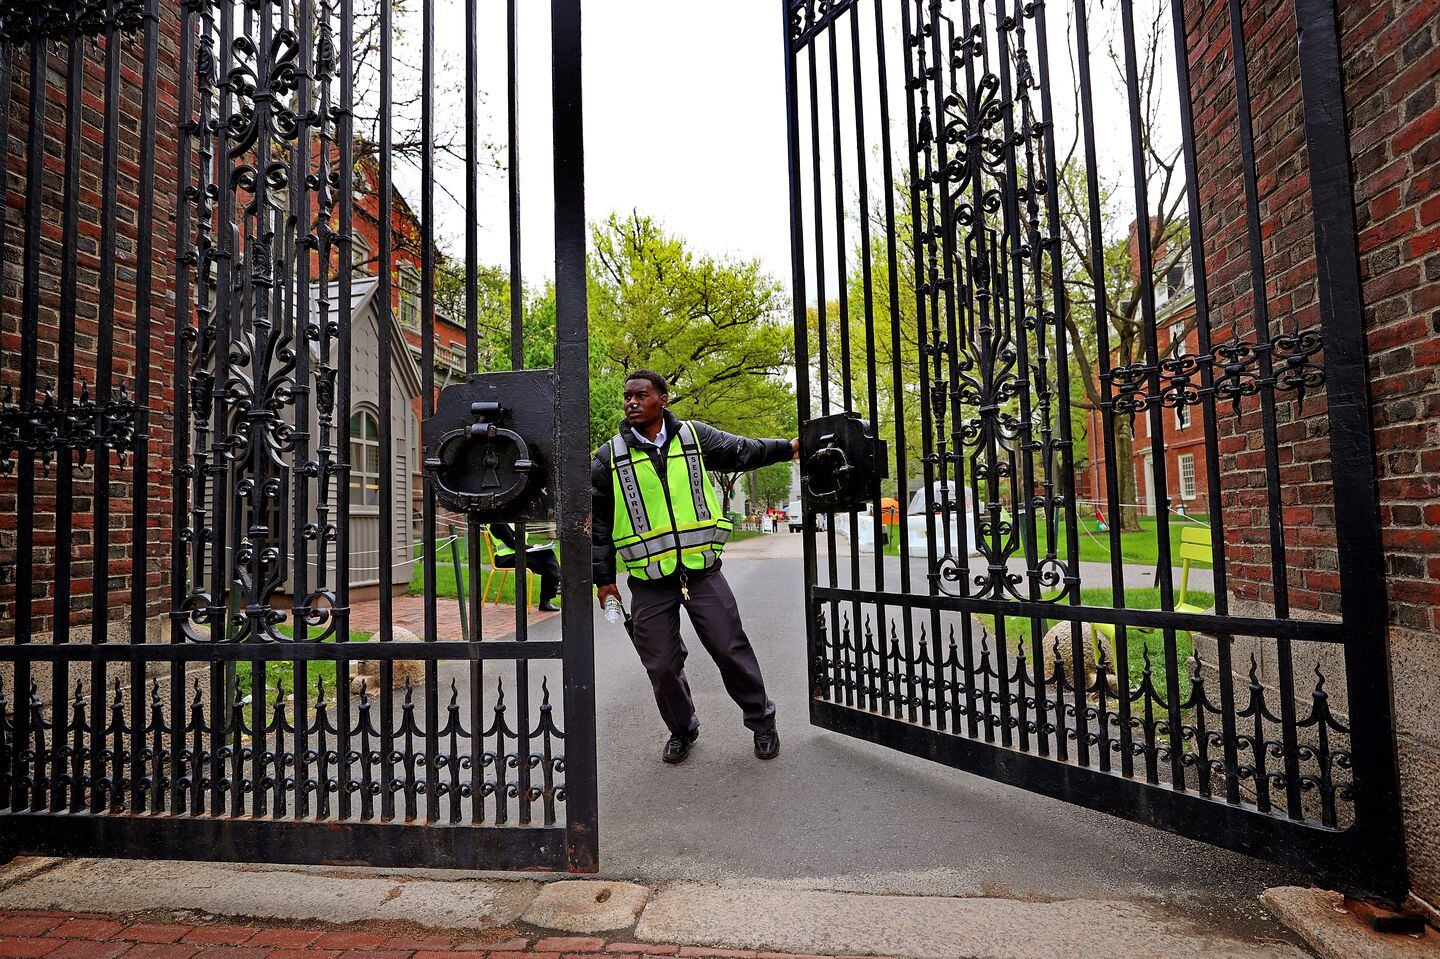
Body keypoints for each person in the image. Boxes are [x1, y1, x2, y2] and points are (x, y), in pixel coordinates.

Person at [593, 369, 797, 764]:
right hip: (649, 581)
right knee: (661, 665)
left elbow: (743, 450)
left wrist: (786, 448)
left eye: (641, 395)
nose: (631, 402)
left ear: (662, 399)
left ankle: (762, 723)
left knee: (730, 648)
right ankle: (682, 729)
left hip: (701, 573)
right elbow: (598, 524)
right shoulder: (608, 457)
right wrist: (604, 580)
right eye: (627, 396)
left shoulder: (694, 437)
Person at [488, 522, 561, 612]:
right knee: (548, 566)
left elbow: (516, 539)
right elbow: (512, 544)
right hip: (505, 558)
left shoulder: (509, 521)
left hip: (518, 554)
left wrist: (534, 548)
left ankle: (557, 583)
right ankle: (554, 589)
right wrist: (532, 547)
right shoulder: (498, 523)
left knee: (548, 553)